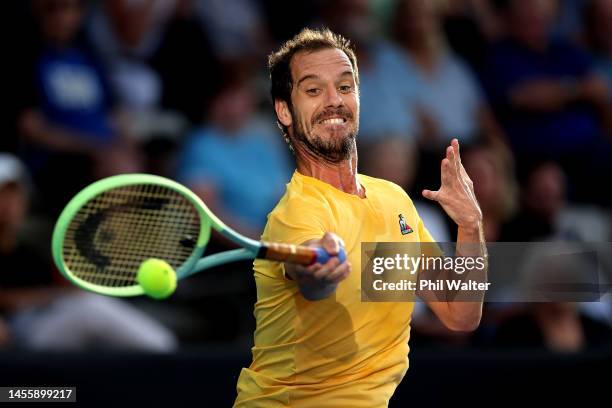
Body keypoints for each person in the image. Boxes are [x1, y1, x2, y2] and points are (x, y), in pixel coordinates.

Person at [233, 28, 487, 407]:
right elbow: (312, 279)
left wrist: (471, 226)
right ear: (284, 110)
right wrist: (320, 265)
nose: (334, 100)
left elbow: (459, 314)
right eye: (313, 90)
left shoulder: (393, 201)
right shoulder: (295, 213)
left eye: (345, 87)